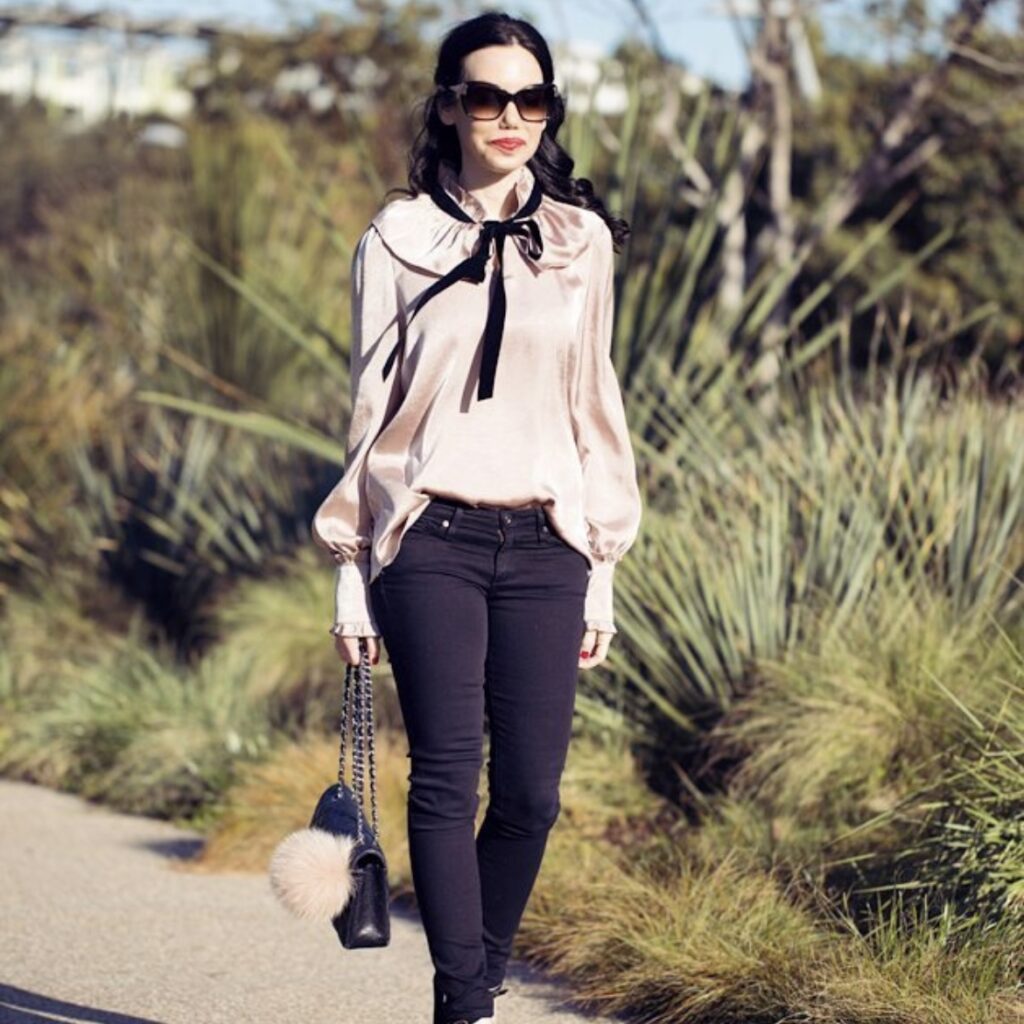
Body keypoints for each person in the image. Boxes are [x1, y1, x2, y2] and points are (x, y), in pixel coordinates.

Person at [311, 11, 642, 1024]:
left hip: (547, 541)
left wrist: (600, 565)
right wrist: (350, 568)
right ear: (448, 105)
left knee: (533, 793)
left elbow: (595, 406)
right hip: (429, 541)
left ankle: (476, 975)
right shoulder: (400, 237)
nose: (509, 117)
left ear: (549, 111)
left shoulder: (579, 241)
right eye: (487, 96)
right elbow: (371, 410)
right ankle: (466, 1003)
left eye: (530, 98)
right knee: (448, 775)